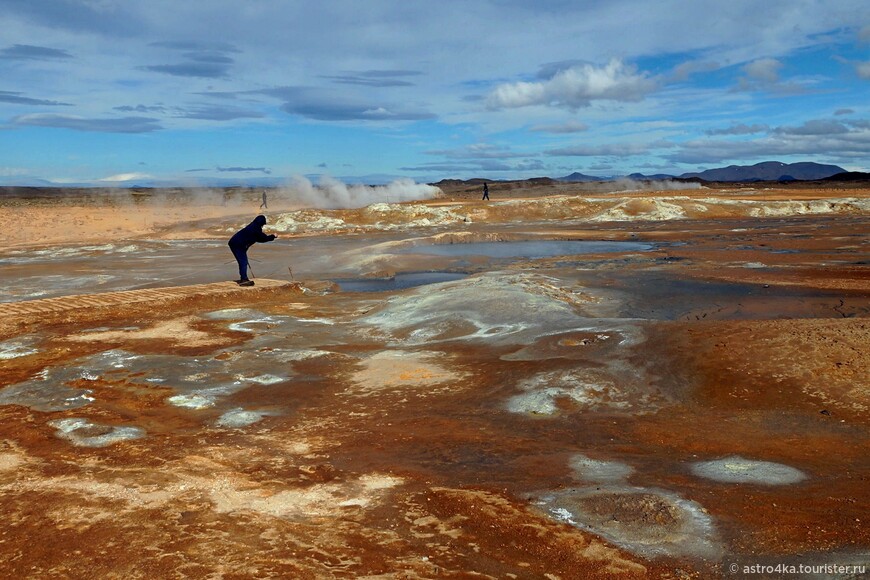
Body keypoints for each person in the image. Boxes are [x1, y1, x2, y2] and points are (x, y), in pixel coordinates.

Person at [228, 215, 276, 286]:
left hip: (237, 244)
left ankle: (244, 278)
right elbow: (263, 238)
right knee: (243, 262)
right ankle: (244, 280)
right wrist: (273, 236)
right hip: (237, 245)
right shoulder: (255, 229)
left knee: (243, 261)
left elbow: (258, 239)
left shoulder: (253, 226)